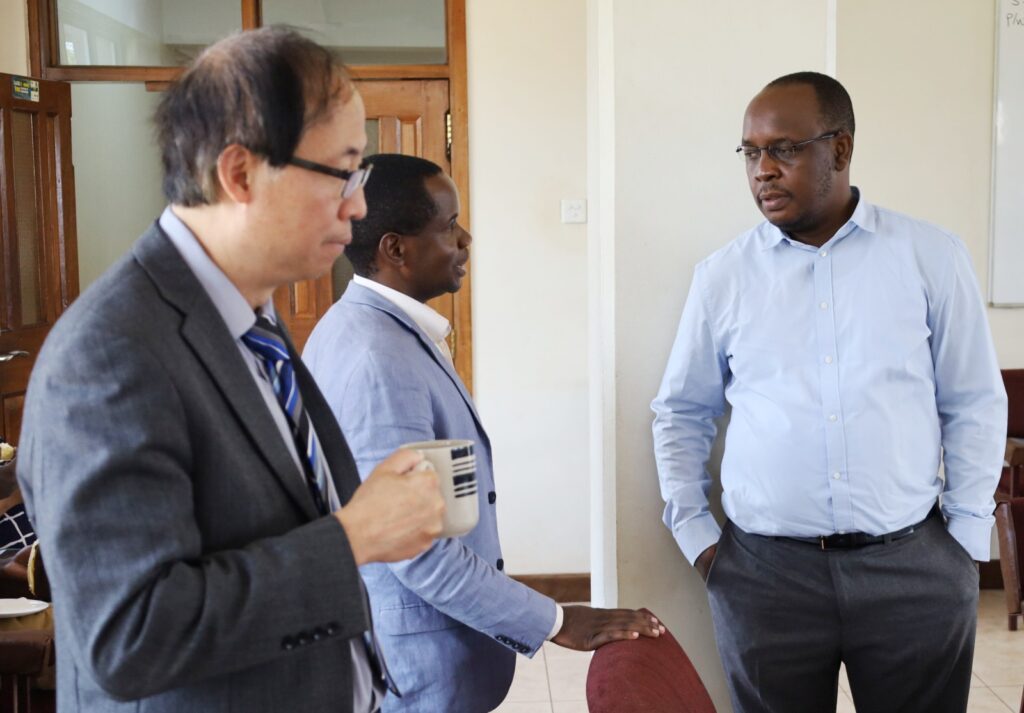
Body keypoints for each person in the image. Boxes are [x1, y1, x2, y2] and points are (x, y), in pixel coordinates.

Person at [16, 28, 447, 713]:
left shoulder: (255, 321)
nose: (359, 205)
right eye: (343, 173)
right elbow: (130, 635)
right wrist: (355, 535)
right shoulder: (110, 352)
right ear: (240, 173)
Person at [651, 71, 1007, 713]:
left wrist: (965, 544)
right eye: (750, 152)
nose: (762, 170)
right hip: (764, 575)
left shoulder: (930, 257)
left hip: (913, 566)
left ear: (839, 150)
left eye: (783, 149)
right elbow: (681, 412)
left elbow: (974, 401)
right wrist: (700, 538)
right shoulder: (723, 277)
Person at [304, 153, 664, 712]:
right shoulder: (378, 359)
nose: (465, 239)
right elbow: (416, 550)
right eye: (448, 226)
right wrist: (558, 619)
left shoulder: (374, 329)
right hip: (415, 667)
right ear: (395, 248)